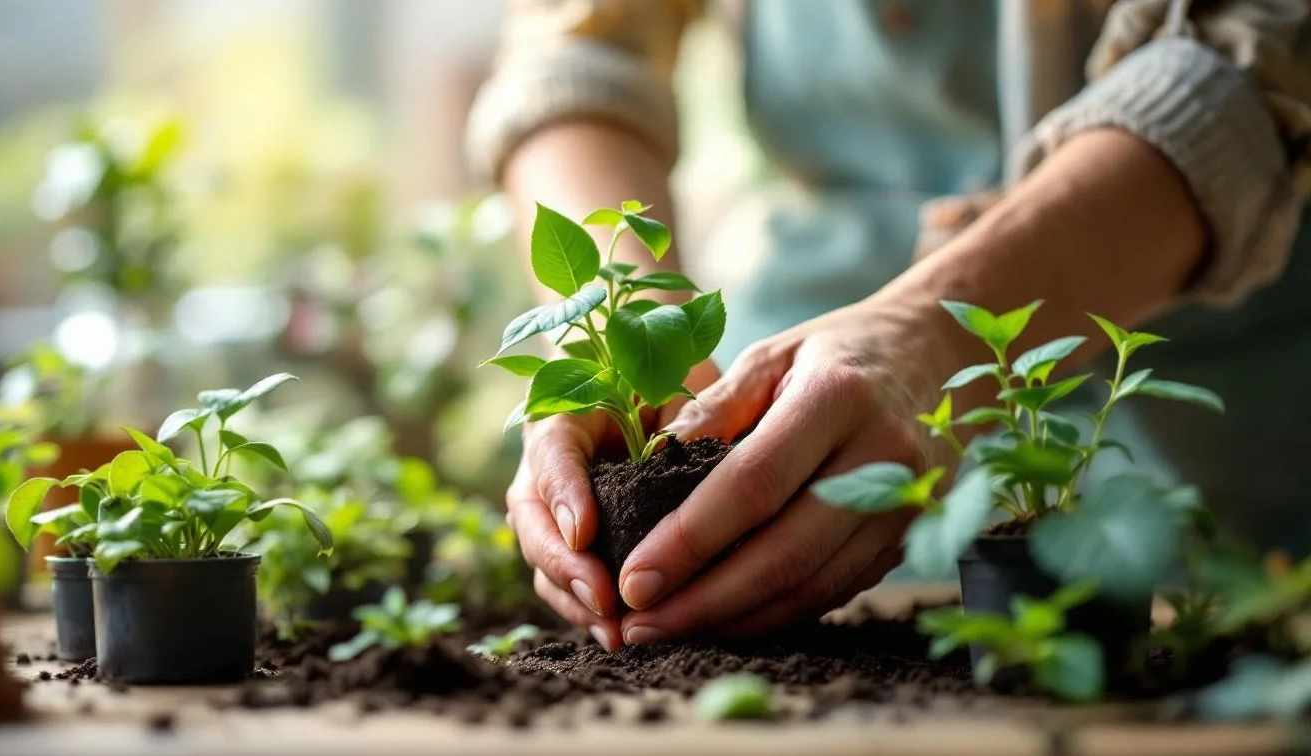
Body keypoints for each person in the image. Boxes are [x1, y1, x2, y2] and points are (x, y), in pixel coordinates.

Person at [466, 0, 1311, 652]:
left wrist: (928, 336)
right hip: (791, 392)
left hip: (1217, 404)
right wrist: (632, 343)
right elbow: (577, 42)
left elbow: (1255, 46)